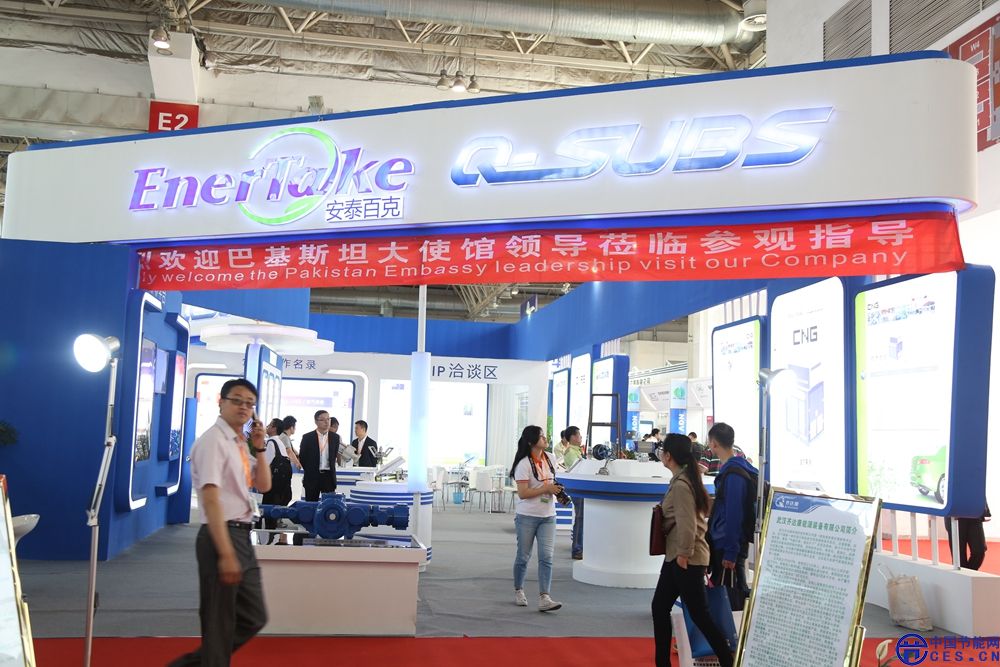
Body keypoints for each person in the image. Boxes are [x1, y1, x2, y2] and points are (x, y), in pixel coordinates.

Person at [169, 378, 270, 667]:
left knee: (254, 616)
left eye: (250, 403)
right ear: (221, 402)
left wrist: (260, 448)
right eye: (237, 400)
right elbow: (211, 499)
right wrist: (225, 553)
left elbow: (263, 485)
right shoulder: (213, 441)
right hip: (221, 534)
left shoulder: (238, 443)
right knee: (218, 622)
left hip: (241, 535)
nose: (244, 407)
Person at [651, 433, 734, 667]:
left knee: (700, 615)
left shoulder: (682, 484)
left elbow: (687, 523)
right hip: (677, 556)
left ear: (668, 456)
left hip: (686, 558)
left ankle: (728, 660)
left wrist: (684, 555)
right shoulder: (685, 479)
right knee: (660, 607)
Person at [510, 425, 564, 612]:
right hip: (527, 516)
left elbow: (551, 482)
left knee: (547, 557)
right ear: (532, 442)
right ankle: (518, 590)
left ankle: (544, 597)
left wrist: (557, 491)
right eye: (541, 436)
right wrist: (546, 489)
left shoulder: (551, 458)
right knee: (523, 556)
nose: (545, 438)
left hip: (548, 516)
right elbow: (523, 493)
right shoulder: (523, 464)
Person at [706, 422, 757, 607]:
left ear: (713, 444)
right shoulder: (735, 469)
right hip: (727, 541)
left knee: (733, 595)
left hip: (727, 542)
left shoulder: (734, 474)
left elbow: (734, 514)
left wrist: (731, 552)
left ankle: (735, 625)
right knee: (730, 590)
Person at [260, 418, 298, 533]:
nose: (267, 427)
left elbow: (265, 464)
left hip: (272, 486)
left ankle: (268, 538)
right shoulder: (280, 442)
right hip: (282, 486)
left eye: (269, 425)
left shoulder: (271, 442)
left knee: (268, 513)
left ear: (274, 428)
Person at [298, 411, 339, 501]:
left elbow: (334, 456)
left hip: (328, 477)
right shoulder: (307, 437)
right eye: (323, 420)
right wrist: (310, 469)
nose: (326, 422)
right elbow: (303, 457)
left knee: (328, 504)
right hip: (312, 476)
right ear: (316, 422)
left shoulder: (335, 437)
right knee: (311, 504)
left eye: (328, 419)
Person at [562, 426, 585, 560]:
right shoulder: (571, 452)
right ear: (572, 437)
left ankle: (580, 547)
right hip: (578, 489)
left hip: (581, 488)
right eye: (578, 435)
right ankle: (577, 548)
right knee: (580, 518)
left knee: (581, 518)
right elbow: (577, 471)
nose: (580, 437)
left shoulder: (577, 451)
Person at [945, 502, 991, 570]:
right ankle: (963, 575)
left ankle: (967, 573)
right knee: (959, 556)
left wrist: (984, 510)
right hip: (955, 514)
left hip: (974, 514)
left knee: (979, 551)